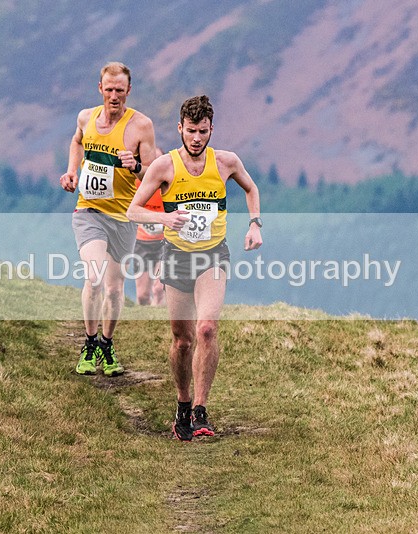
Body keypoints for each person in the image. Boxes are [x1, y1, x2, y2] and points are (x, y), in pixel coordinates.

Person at [127, 95, 262, 441]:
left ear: (211, 129)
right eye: (191, 131)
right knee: (183, 340)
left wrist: (254, 224)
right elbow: (133, 210)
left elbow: (251, 187)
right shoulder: (164, 167)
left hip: (212, 256)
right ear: (180, 129)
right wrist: (164, 217)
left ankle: (201, 410)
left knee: (206, 329)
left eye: (203, 131)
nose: (197, 138)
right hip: (176, 257)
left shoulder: (227, 162)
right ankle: (183, 406)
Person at [60, 61, 157, 377]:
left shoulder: (141, 126)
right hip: (89, 211)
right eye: (109, 89)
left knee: (116, 290)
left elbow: (155, 173)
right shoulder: (86, 118)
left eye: (120, 90)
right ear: (99, 89)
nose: (114, 96)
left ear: (129, 91)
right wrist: (72, 171)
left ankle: (106, 343)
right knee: (94, 275)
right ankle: (89, 343)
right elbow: (77, 141)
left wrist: (135, 166)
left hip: (124, 217)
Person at [132, 147, 166, 306]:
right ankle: (145, 324)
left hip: (164, 243)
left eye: (158, 162)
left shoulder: (169, 185)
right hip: (141, 243)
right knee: (142, 296)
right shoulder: (137, 184)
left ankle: (162, 324)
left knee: (159, 289)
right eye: (151, 163)